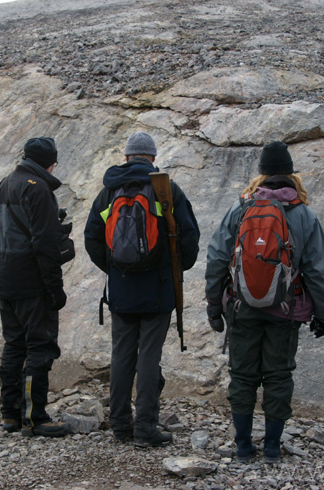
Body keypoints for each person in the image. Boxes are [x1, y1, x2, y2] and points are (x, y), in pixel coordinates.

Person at [205, 141, 324, 463]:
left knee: (243, 375)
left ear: (261, 174)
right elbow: (318, 270)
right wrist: (322, 312)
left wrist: (212, 304)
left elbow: (217, 258)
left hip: (242, 307)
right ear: (291, 174)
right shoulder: (304, 214)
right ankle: (273, 447)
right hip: (286, 311)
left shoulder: (241, 208)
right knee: (278, 375)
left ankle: (244, 445)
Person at [84, 131, 200, 447]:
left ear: (126, 157)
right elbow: (189, 239)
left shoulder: (109, 192)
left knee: (122, 354)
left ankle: (121, 425)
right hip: (159, 289)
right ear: (152, 157)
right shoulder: (166, 190)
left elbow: (92, 238)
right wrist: (174, 270)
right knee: (149, 357)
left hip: (121, 291)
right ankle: (145, 428)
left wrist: (114, 267)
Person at [0, 137, 72, 438]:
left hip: (6, 276)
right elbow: (44, 245)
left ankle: (10, 415)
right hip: (31, 280)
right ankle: (34, 417)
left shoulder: (4, 183)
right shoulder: (38, 189)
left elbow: (1, 231)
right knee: (40, 346)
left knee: (14, 345)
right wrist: (55, 287)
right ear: (47, 161)